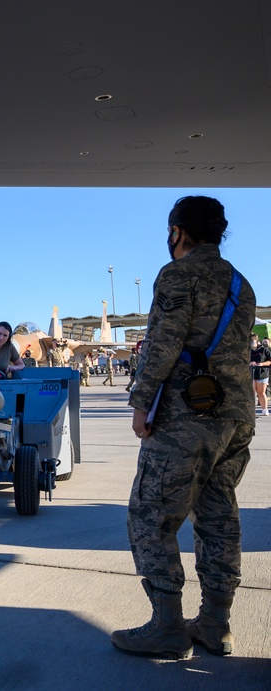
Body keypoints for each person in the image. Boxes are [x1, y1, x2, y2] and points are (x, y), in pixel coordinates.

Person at [113, 196, 256, 660]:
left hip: (186, 419)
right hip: (234, 419)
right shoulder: (242, 283)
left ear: (177, 231)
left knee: (150, 515)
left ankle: (168, 627)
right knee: (218, 517)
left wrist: (141, 403)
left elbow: (162, 343)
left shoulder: (178, 274)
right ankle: (216, 624)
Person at [249, 333, 270, 416]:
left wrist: (261, 364)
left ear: (256, 340)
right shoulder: (247, 350)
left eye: (252, 340)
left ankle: (264, 409)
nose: (251, 342)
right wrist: (250, 363)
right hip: (251, 374)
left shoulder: (264, 350)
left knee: (261, 392)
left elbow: (269, 361)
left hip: (262, 373)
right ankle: (251, 410)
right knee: (252, 392)